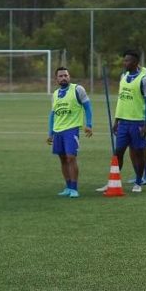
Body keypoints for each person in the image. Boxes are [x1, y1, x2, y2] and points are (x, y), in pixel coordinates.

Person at [97, 50, 146, 193]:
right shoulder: (123, 76)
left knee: (138, 152)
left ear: (135, 62)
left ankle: (139, 182)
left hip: (137, 123)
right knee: (118, 153)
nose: (124, 63)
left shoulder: (144, 80)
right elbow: (121, 100)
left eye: (127, 60)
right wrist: (116, 120)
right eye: (124, 60)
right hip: (123, 123)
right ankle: (112, 181)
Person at [47, 67, 93, 198]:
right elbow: (52, 114)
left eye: (65, 75)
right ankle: (67, 187)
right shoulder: (55, 94)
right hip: (58, 131)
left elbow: (88, 107)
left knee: (71, 157)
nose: (63, 78)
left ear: (69, 76)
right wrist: (50, 133)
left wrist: (89, 124)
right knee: (62, 159)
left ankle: (74, 188)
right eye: (60, 76)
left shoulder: (78, 89)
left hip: (71, 129)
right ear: (56, 79)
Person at [128, 66, 146, 185]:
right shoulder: (125, 74)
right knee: (131, 146)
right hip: (128, 116)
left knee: (142, 146)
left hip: (140, 117)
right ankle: (138, 175)